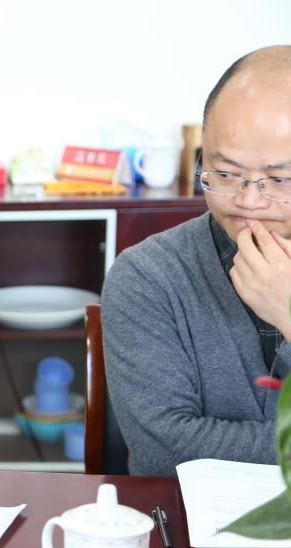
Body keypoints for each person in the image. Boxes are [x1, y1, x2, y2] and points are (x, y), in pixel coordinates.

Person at [103, 45, 291, 476]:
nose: (248, 201)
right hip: (184, 518)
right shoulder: (148, 276)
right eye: (225, 174)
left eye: (280, 179)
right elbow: (164, 452)